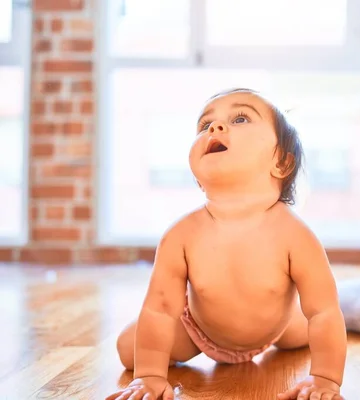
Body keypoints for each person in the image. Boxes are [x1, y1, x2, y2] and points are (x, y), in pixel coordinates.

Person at [106, 88, 347, 400]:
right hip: (199, 330)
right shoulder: (181, 234)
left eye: (241, 118)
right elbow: (161, 309)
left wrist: (325, 378)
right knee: (128, 348)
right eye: (205, 125)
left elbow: (323, 311)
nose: (215, 128)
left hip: (278, 327)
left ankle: (324, 321)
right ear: (198, 176)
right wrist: (150, 375)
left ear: (281, 163)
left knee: (313, 329)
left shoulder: (295, 235)